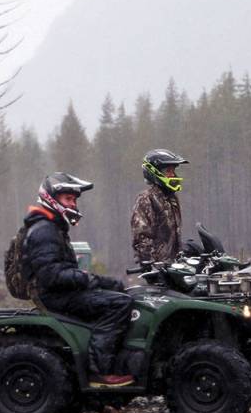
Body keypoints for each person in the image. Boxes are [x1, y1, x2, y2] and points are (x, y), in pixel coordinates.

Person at [20, 172, 134, 387]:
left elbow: (61, 270)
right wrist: (84, 278)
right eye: (68, 199)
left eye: (74, 200)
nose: (73, 204)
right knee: (120, 304)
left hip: (61, 291)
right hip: (56, 296)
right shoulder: (44, 230)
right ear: (52, 199)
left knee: (119, 290)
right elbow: (51, 275)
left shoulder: (52, 227)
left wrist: (101, 281)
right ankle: (100, 371)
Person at [131, 149, 189, 263]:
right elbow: (142, 237)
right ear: (155, 172)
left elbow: (173, 237)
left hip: (175, 267)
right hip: (157, 269)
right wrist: (150, 264)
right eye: (168, 171)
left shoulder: (172, 199)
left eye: (173, 171)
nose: (172, 175)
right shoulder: (146, 199)